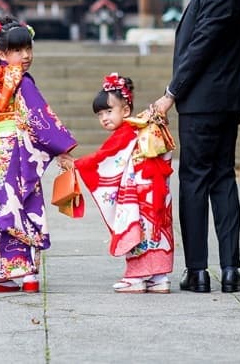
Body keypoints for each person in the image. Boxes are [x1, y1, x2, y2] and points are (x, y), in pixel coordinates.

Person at [154, 0, 240, 294]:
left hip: (204, 101)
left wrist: (169, 95)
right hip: (224, 99)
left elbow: (200, 48)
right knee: (222, 179)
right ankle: (230, 270)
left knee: (195, 180)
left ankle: (198, 271)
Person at [0, 15, 76, 294]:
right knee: (24, 204)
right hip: (16, 150)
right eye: (17, 50)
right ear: (1, 53)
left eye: (28, 49)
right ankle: (26, 274)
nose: (25, 56)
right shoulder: (21, 80)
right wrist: (62, 148)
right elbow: (38, 116)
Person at [74, 74, 175, 294]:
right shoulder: (138, 128)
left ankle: (137, 277)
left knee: (136, 227)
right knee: (157, 229)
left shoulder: (126, 132)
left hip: (138, 195)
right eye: (100, 114)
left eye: (109, 111)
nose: (104, 118)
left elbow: (103, 159)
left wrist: (77, 164)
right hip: (154, 190)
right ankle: (159, 277)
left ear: (126, 110)